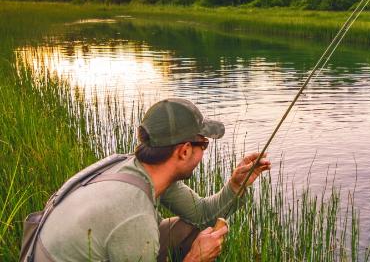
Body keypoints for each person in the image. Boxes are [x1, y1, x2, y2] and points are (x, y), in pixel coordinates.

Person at [36, 98, 270, 262]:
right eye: (204, 144)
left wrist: (236, 185)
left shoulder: (137, 168)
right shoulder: (134, 216)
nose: (204, 152)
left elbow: (201, 215)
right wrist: (194, 259)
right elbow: (133, 222)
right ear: (184, 151)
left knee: (189, 227)